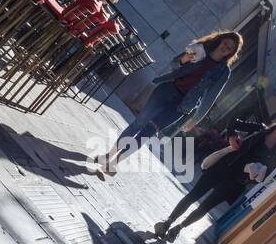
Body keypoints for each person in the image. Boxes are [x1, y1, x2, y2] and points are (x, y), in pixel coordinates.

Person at [92, 30, 243, 177]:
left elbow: (210, 97)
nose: (226, 48)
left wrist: (195, 120)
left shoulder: (223, 71)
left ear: (231, 53)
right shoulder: (201, 49)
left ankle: (114, 163)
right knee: (139, 123)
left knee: (147, 132)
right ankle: (109, 155)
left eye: (230, 48)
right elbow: (174, 64)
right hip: (167, 89)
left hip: (181, 106)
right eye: (226, 43)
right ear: (220, 40)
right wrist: (184, 59)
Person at [153, 118, 276, 241]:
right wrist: (232, 139)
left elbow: (264, 177)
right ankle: (168, 222)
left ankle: (178, 228)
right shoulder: (258, 129)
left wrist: (254, 174)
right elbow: (233, 122)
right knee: (193, 195)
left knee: (205, 207)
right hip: (223, 166)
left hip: (235, 182)